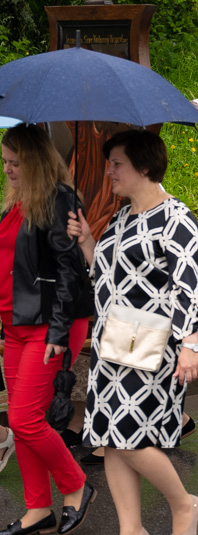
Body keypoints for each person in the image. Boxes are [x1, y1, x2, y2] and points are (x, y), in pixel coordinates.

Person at [67, 130, 198, 534]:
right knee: (110, 436)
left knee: (131, 436)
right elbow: (109, 276)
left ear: (144, 167)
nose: (109, 171)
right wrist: (89, 242)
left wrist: (190, 343)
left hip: (154, 341)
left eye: (117, 163)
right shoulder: (121, 217)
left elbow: (187, 285)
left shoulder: (176, 217)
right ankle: (131, 529)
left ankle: (184, 505)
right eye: (109, 162)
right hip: (114, 340)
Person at [0, 124, 95, 535]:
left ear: (36, 162)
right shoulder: (15, 202)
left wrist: (58, 334)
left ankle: (76, 485)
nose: (7, 170)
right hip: (15, 324)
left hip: (49, 324)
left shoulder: (60, 201)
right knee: (25, 422)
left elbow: (69, 272)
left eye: (15, 163)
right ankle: (37, 508)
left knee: (23, 420)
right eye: (4, 162)